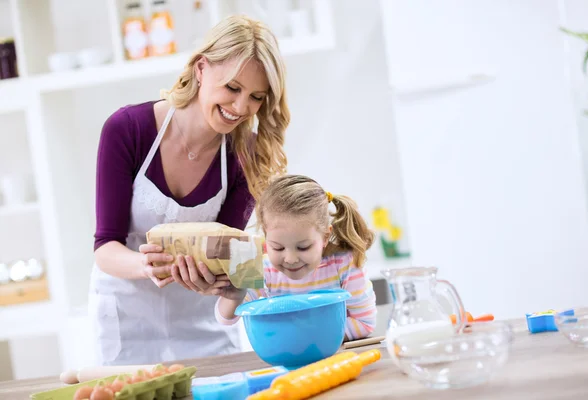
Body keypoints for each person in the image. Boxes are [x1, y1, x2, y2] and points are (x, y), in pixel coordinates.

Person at [89, 15, 290, 366]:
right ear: (201, 69)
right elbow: (105, 248)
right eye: (232, 87)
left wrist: (232, 279)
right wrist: (148, 266)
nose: (241, 108)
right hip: (128, 321)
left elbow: (233, 253)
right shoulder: (127, 130)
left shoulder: (248, 154)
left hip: (205, 325)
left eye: (256, 97)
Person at [215, 175, 377, 341]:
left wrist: (308, 337)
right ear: (266, 236)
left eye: (303, 247)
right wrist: (234, 296)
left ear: (325, 237)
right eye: (277, 247)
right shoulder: (262, 269)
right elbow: (225, 319)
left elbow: (365, 322)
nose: (290, 259)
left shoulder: (344, 264)